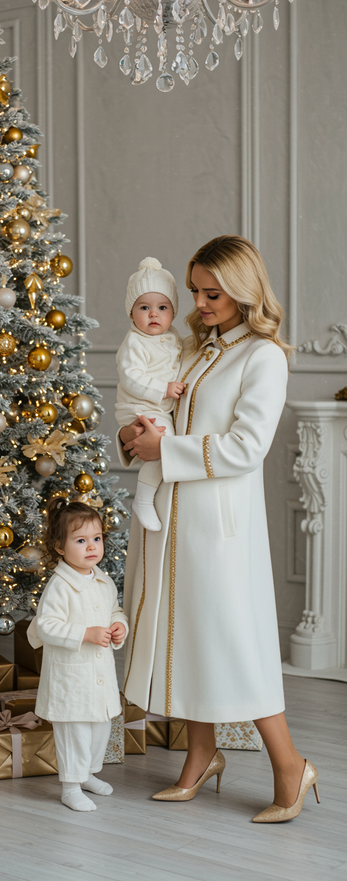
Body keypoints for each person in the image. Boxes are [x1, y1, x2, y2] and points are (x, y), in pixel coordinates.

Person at [118, 236, 319, 824]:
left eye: (213, 293)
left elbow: (247, 447)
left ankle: (290, 765)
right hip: (172, 523)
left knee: (235, 645)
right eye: (197, 291)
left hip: (219, 528)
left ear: (243, 291)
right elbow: (149, 410)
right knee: (190, 640)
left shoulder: (263, 357)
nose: (200, 303)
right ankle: (200, 757)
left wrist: (168, 447)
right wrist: (135, 441)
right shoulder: (194, 349)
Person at [27, 498, 129, 812]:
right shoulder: (60, 586)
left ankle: (86, 775)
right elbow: (46, 626)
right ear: (59, 546)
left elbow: (115, 610)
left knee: (99, 726)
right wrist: (84, 633)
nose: (91, 547)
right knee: (75, 730)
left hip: (98, 674)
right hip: (70, 676)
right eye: (80, 540)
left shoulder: (104, 580)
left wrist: (118, 626)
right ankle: (70, 786)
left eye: (96, 539)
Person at [115, 257, 184, 532]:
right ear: (132, 314)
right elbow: (132, 377)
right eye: (144, 307)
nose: (154, 314)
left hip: (156, 407)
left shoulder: (175, 338)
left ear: (173, 313)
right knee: (164, 445)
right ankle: (142, 499)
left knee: (165, 446)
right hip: (139, 407)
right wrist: (164, 389)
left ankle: (147, 496)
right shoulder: (135, 342)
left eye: (162, 307)